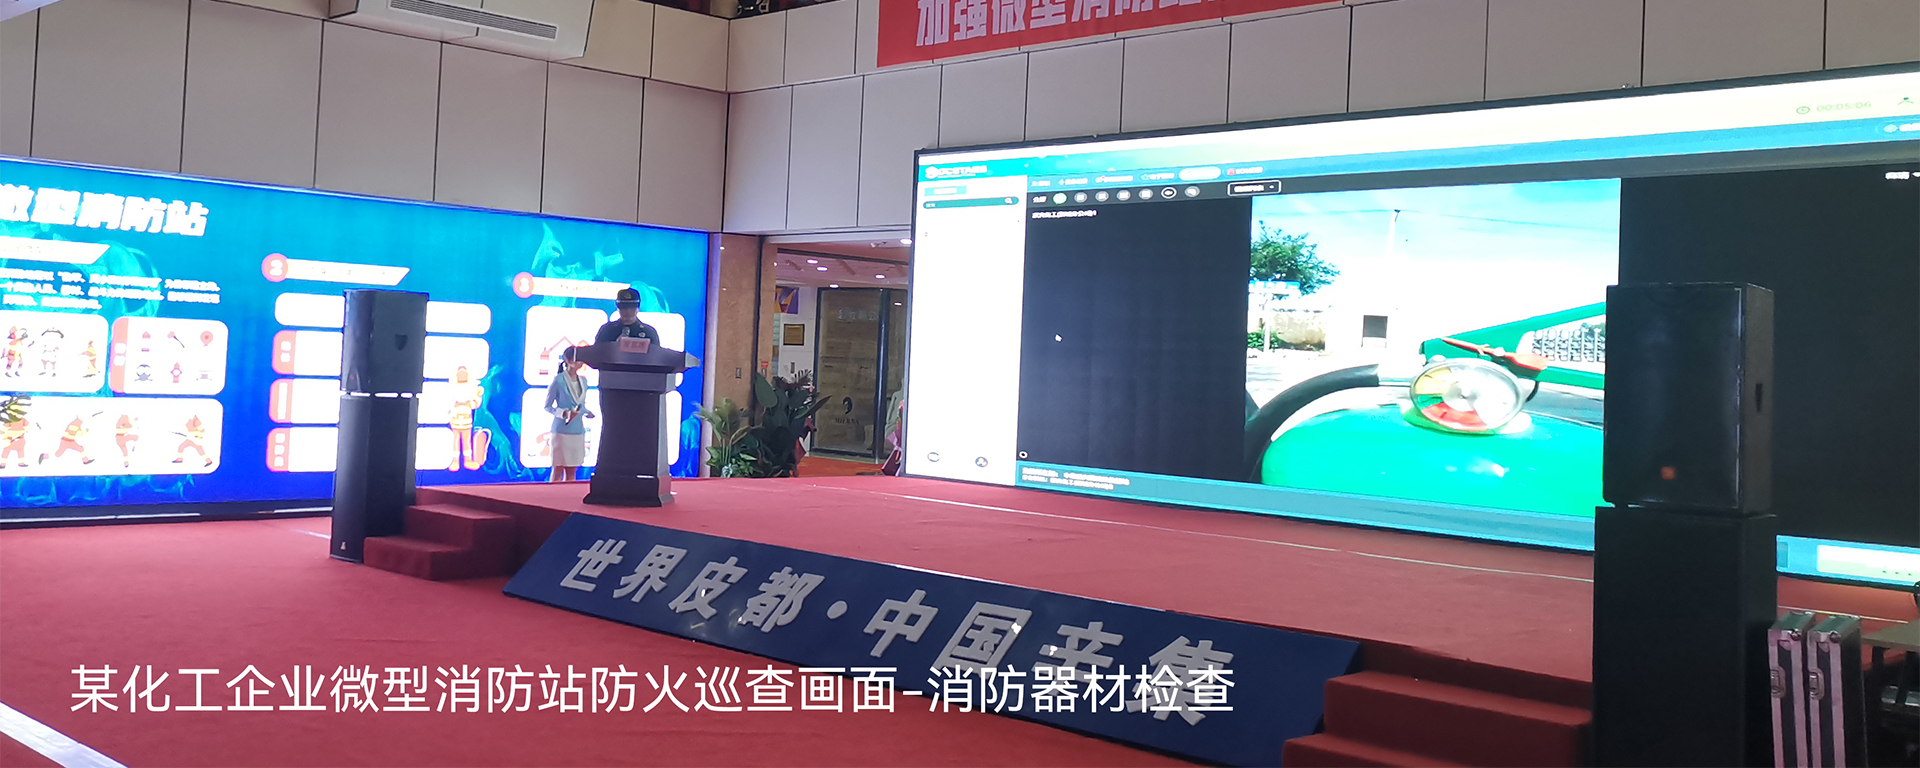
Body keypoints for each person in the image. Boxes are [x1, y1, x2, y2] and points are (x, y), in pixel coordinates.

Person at [543, 346, 594, 482]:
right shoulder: (558, 380)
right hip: (561, 430)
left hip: (577, 429)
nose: (580, 362)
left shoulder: (584, 381)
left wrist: (586, 412)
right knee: (558, 469)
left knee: (572, 470)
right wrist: (564, 413)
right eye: (577, 359)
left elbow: (580, 404)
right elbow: (548, 406)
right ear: (568, 360)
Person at [595, 288, 663, 345]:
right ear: (618, 308)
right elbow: (597, 352)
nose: (628, 311)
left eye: (631, 308)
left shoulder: (648, 333)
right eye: (624, 308)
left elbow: (656, 354)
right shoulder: (607, 331)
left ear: (637, 308)